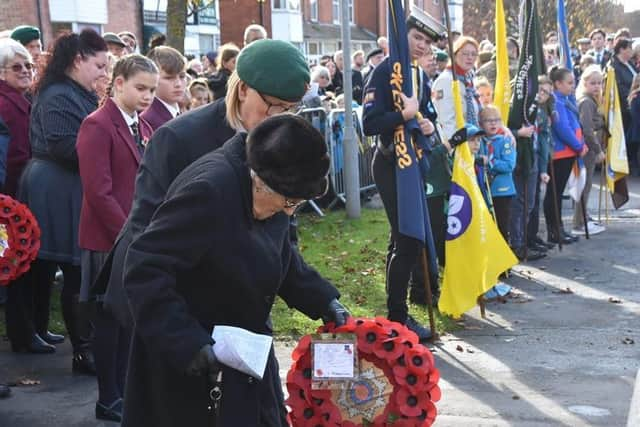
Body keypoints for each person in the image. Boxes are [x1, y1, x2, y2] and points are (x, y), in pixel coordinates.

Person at [121, 114, 348, 427]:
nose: (290, 210)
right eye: (290, 201)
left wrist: (322, 299)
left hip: (243, 352)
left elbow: (280, 253)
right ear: (259, 179)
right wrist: (187, 341)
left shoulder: (274, 186)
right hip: (192, 359)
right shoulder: (210, 192)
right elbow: (144, 267)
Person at [18, 29, 108, 371]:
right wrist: (106, 149)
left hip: (63, 184)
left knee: (74, 270)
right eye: (98, 65)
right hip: (56, 187)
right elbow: (62, 145)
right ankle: (83, 352)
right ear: (78, 60)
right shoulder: (59, 94)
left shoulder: (74, 91)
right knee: (75, 268)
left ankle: (79, 344)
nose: (103, 72)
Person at [76, 54, 157, 422]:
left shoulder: (141, 127)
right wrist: (128, 237)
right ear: (119, 83)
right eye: (141, 88)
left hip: (132, 237)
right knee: (109, 321)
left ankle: (122, 392)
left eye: (152, 90)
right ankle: (107, 397)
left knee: (128, 321)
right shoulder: (97, 125)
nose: (147, 97)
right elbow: (99, 192)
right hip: (108, 240)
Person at [362, 7, 447, 341]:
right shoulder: (384, 72)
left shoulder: (418, 74)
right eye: (416, 37)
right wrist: (404, 114)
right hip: (389, 162)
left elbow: (421, 113)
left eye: (426, 41)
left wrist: (425, 121)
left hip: (412, 163)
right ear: (401, 36)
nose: (422, 46)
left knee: (404, 237)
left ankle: (396, 313)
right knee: (410, 237)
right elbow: (370, 123)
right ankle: (398, 316)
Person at [1, 39, 51, 353]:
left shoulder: (20, 99)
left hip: (21, 193)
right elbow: (15, 154)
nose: (25, 71)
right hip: (12, 196)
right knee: (14, 266)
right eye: (16, 67)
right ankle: (23, 334)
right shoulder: (6, 103)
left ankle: (31, 330)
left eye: (28, 66)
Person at [544, 66, 586, 245]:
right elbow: (563, 128)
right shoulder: (556, 102)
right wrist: (578, 145)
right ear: (557, 84)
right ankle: (555, 231)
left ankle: (559, 228)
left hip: (568, 152)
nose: (572, 86)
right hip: (561, 153)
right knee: (554, 194)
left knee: (557, 193)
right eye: (569, 83)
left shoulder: (564, 100)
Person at [573, 65, 606, 236]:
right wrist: (598, 149)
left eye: (599, 83)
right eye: (592, 83)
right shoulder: (586, 102)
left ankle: (583, 216)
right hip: (587, 148)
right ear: (584, 83)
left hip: (589, 148)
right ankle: (579, 223)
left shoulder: (592, 100)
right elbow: (587, 129)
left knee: (585, 184)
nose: (596, 86)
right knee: (584, 185)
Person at [478, 105, 516, 243]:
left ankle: (505, 260)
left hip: (502, 190)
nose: (493, 123)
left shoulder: (505, 140)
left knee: (502, 226)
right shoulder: (480, 141)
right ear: (481, 124)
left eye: (496, 120)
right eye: (488, 120)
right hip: (486, 190)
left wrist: (490, 162)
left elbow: (509, 165)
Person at [433, 36, 482, 140]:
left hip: (473, 140)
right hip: (458, 144)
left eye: (474, 54)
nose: (470, 57)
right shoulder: (445, 80)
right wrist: (455, 149)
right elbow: (446, 121)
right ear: (455, 55)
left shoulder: (468, 80)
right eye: (465, 53)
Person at [141, 46, 186, 130]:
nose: (178, 84)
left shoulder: (182, 112)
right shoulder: (147, 121)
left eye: (182, 76)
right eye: (169, 78)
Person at [610, 38, 638, 169]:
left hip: (635, 102)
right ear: (621, 49)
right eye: (629, 49)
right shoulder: (614, 66)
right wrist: (631, 95)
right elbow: (619, 87)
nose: (631, 52)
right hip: (625, 107)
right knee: (628, 135)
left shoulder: (630, 64)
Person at [628, 73, 640, 176]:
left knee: (635, 150)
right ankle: (635, 168)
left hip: (635, 127)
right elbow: (635, 114)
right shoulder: (636, 96)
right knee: (635, 150)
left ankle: (636, 167)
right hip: (637, 127)